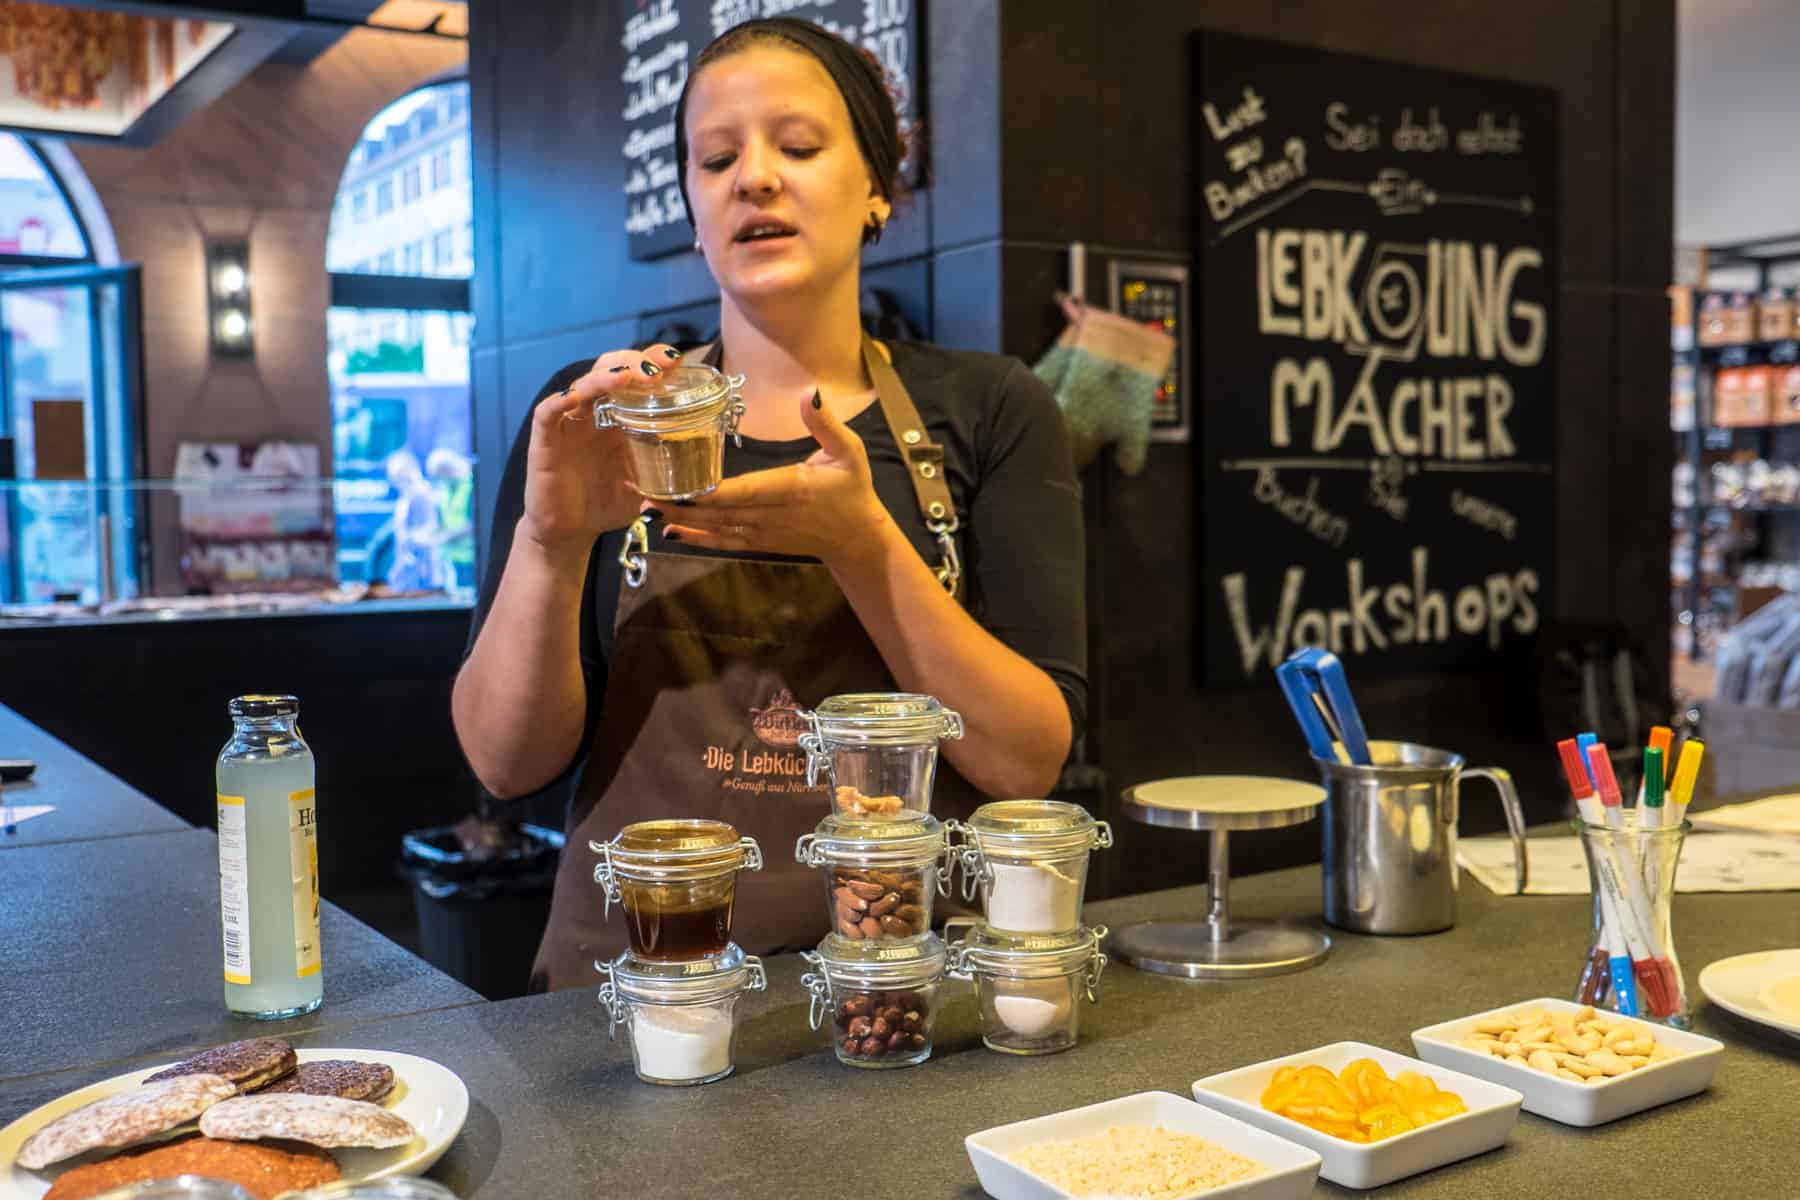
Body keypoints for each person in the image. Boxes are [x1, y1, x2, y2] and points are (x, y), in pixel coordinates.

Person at [452, 17, 1086, 992]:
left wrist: (864, 546)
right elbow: (503, 763)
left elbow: (1028, 762)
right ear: (697, 210)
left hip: (896, 996)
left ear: (877, 185)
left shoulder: (991, 407)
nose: (754, 178)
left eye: (797, 146)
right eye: (717, 159)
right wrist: (553, 538)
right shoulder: (601, 414)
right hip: (636, 1000)